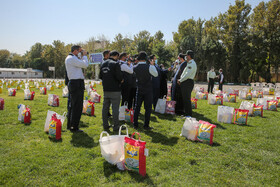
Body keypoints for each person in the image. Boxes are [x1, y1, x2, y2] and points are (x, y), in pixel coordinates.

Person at [65, 45, 89, 132]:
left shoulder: (72, 58)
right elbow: (85, 65)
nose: (80, 52)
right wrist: (85, 55)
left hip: (75, 83)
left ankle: (70, 125)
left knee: (73, 105)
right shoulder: (72, 58)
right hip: (76, 83)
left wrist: (81, 55)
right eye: (79, 51)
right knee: (77, 106)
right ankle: (74, 127)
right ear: (75, 51)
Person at [133, 51, 158, 130]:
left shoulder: (135, 67)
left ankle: (135, 124)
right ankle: (146, 125)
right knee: (148, 108)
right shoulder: (149, 67)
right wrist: (152, 65)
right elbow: (156, 74)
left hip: (139, 88)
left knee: (137, 107)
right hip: (148, 89)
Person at [100, 51, 123, 132]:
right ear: (116, 56)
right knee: (115, 109)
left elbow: (100, 76)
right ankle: (116, 126)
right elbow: (119, 76)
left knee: (105, 108)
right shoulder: (115, 64)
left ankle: (105, 125)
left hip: (106, 89)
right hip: (115, 89)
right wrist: (121, 80)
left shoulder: (103, 63)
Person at [178, 50, 197, 117]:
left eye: (186, 55)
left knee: (187, 99)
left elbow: (187, 74)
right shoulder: (189, 63)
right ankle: (186, 113)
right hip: (186, 81)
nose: (186, 57)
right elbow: (185, 73)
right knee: (185, 99)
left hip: (187, 82)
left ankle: (188, 115)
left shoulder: (192, 63)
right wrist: (181, 79)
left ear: (189, 56)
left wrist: (180, 80)